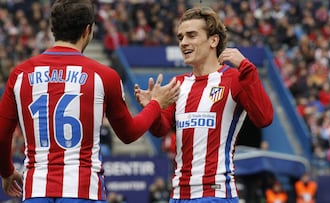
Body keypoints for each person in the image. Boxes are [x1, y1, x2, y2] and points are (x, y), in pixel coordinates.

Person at [0, 0, 180, 202]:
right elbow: (129, 134)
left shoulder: (20, 74)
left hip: (36, 190)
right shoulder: (104, 76)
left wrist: (7, 171)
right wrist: (155, 104)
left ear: (54, 29)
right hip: (84, 190)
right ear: (88, 30)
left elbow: (1, 135)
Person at [134, 6, 273, 202]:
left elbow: (264, 118)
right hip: (178, 195)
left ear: (213, 40)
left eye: (191, 35)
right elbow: (160, 130)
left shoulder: (234, 78)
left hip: (216, 194)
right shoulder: (178, 84)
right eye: (180, 37)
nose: (183, 43)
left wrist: (246, 67)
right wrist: (153, 108)